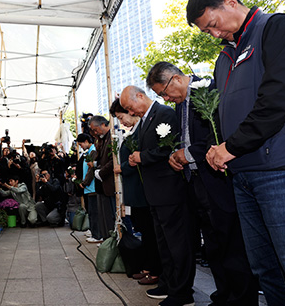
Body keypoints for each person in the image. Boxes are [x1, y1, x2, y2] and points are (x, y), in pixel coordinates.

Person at [187, 0, 285, 304]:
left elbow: (278, 98)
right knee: (266, 272)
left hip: (283, 170)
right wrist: (221, 149)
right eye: (206, 32)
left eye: (212, 24)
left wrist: (231, 146)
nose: (212, 34)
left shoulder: (278, 27)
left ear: (230, 2)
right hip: (244, 174)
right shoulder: (226, 56)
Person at [146, 62, 258, 305]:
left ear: (175, 79)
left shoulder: (207, 89)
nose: (166, 98)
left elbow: (217, 133)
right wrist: (175, 155)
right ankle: (223, 294)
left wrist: (187, 154)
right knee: (213, 244)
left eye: (164, 92)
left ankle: (241, 298)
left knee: (231, 243)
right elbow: (184, 139)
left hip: (217, 179)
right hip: (194, 182)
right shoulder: (179, 106)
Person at [120, 86, 195, 305]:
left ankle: (182, 292)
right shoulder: (145, 121)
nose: (130, 112)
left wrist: (142, 156)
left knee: (177, 243)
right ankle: (169, 282)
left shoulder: (165, 114)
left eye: (129, 106)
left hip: (169, 190)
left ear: (140, 96)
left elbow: (168, 149)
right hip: (154, 193)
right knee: (164, 243)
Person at [110, 100, 162, 287]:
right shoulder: (135, 130)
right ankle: (149, 267)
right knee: (146, 232)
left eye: (122, 117)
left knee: (150, 233)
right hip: (136, 191)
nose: (122, 122)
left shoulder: (142, 129)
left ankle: (154, 269)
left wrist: (122, 167)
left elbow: (136, 160)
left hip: (143, 190)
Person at [89, 116, 116, 243]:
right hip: (101, 184)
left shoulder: (112, 137)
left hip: (109, 182)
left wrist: (101, 173)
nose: (95, 133)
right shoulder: (101, 140)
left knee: (111, 216)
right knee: (104, 216)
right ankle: (107, 241)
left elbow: (113, 161)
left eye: (96, 129)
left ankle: (111, 242)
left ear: (104, 124)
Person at [76, 133, 103, 243]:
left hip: (92, 187)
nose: (81, 146)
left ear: (87, 141)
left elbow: (91, 170)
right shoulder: (89, 151)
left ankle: (98, 235)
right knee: (92, 212)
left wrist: (85, 182)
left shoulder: (93, 151)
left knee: (95, 213)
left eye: (81, 143)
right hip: (89, 187)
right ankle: (94, 232)